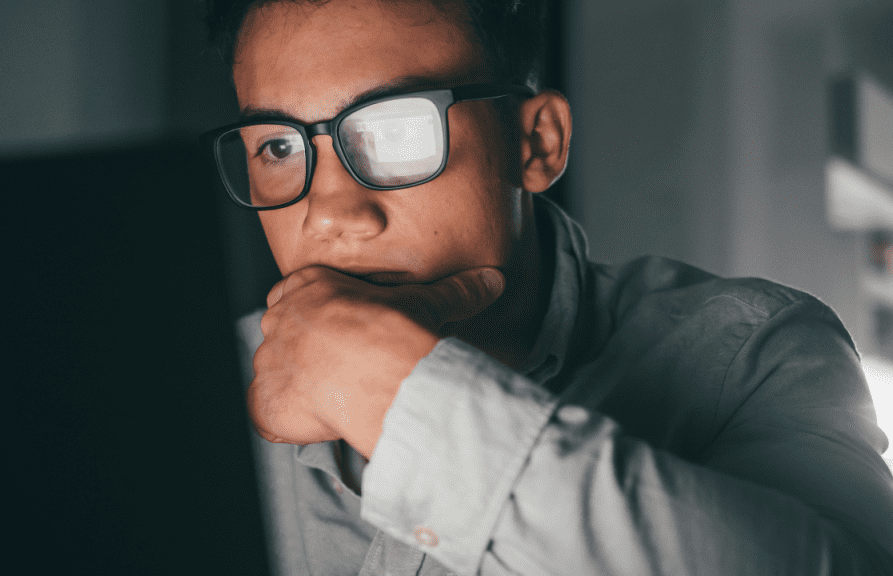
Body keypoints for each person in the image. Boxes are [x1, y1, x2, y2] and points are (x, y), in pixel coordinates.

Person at [201, 0, 893, 574]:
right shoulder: (181, 388)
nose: (330, 214)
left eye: (396, 129)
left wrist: (399, 396)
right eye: (279, 148)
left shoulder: (753, 352)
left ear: (537, 144)